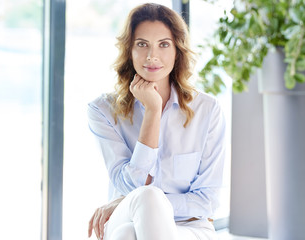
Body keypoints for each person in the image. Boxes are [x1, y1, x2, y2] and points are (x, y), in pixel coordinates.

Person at [87, 3, 226, 240]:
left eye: (164, 44)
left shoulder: (207, 110)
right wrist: (152, 111)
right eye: (142, 44)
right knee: (145, 199)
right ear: (129, 50)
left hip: (190, 227)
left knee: (128, 233)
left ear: (177, 51)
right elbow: (130, 187)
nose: (152, 56)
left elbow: (207, 200)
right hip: (127, 213)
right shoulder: (103, 110)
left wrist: (152, 204)